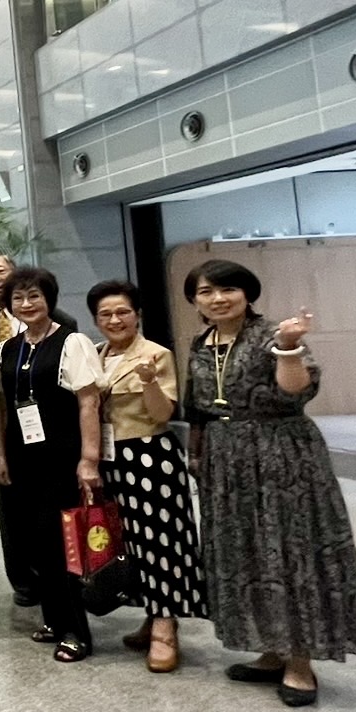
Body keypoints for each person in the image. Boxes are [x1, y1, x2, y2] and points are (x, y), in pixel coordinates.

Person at [183, 259, 356, 706]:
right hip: (226, 459)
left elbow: (295, 391)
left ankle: (300, 663)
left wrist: (289, 347)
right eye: (206, 292)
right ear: (195, 301)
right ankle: (270, 650)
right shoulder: (202, 342)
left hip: (281, 454)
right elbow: (198, 406)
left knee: (290, 552)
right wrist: (198, 453)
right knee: (247, 551)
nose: (217, 298)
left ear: (247, 293)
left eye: (227, 289)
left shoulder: (273, 334)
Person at [87, 280, 209, 673]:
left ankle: (165, 627)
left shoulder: (155, 355)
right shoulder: (95, 355)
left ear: (137, 314)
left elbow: (162, 415)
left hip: (148, 456)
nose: (114, 320)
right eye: (105, 314)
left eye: (122, 311)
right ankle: (148, 613)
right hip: (110, 458)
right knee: (129, 542)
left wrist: (149, 381)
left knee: (161, 542)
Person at [0, 267, 101, 663]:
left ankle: (77, 630)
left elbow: (89, 401)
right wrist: (0, 456)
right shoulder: (7, 349)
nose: (26, 304)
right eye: (18, 298)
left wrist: (88, 459)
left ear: (49, 298)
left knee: (62, 544)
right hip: (21, 457)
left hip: (61, 456)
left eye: (34, 296)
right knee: (34, 545)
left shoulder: (72, 342)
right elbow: (3, 408)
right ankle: (54, 619)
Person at [0, 252, 77, 608]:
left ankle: (63, 593)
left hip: (57, 438)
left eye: (2, 270)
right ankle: (25, 583)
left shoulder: (65, 327)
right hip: (6, 432)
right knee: (13, 514)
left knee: (53, 521)